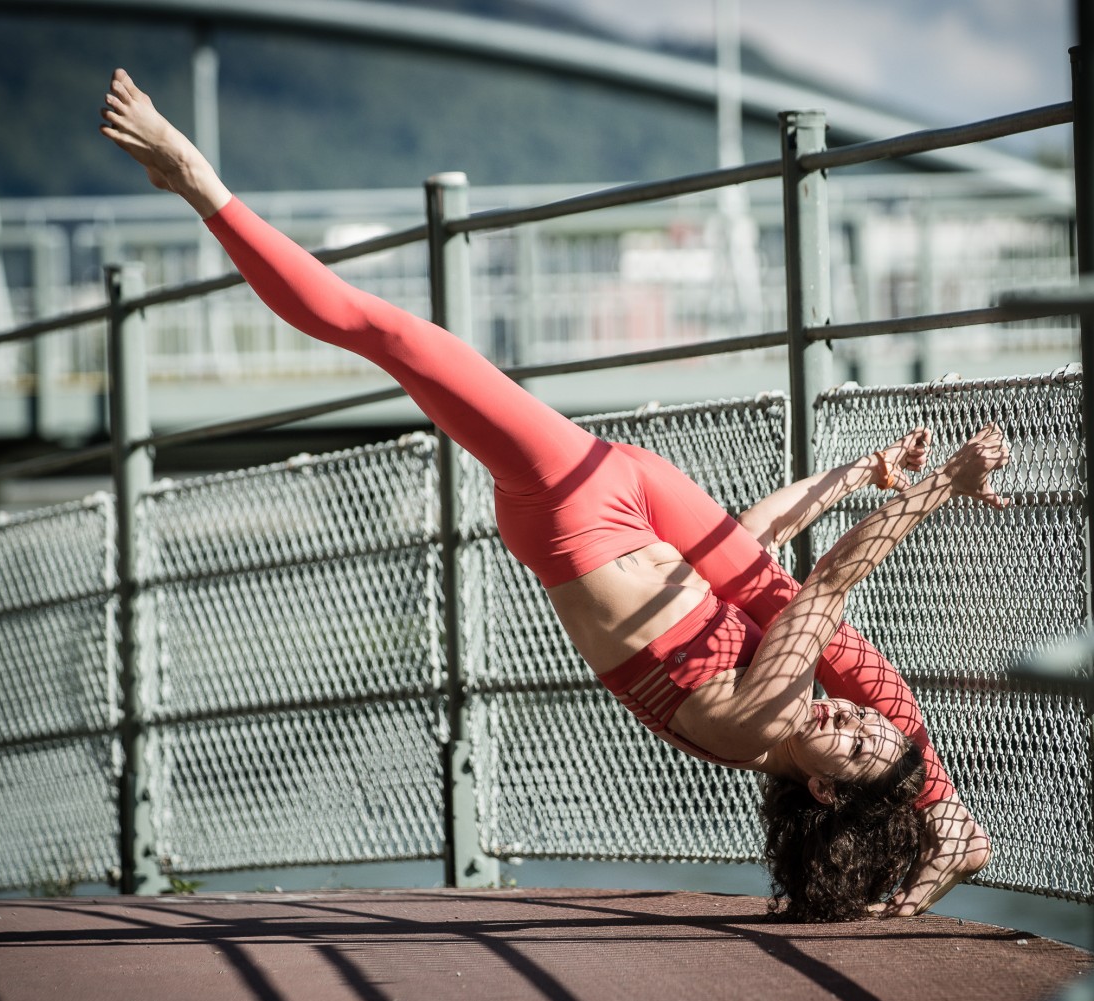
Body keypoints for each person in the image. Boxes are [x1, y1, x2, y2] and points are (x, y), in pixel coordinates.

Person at [100, 69, 1008, 921]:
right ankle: (950, 821)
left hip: (585, 513)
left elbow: (827, 588)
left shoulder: (755, 722)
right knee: (816, 628)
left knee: (390, 337)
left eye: (851, 745)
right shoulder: (787, 713)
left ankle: (196, 181)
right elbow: (753, 552)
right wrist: (857, 475)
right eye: (863, 725)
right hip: (643, 513)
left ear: (820, 789)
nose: (848, 718)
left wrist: (940, 491)